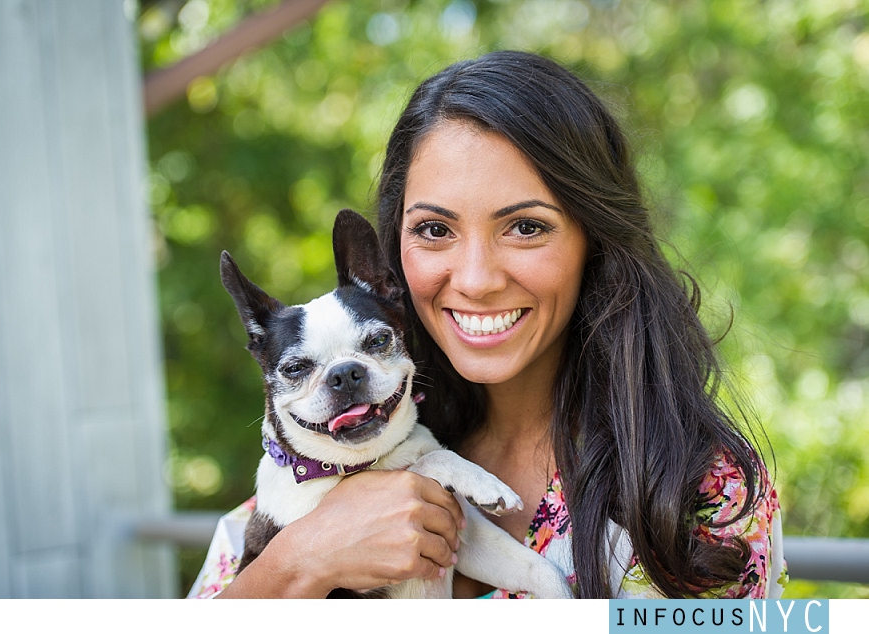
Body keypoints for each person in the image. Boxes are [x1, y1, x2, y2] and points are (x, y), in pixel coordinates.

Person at [189, 50, 786, 599]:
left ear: (593, 240)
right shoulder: (323, 468)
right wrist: (297, 563)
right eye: (435, 230)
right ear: (392, 257)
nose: (475, 279)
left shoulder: (694, 494)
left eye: (524, 226)